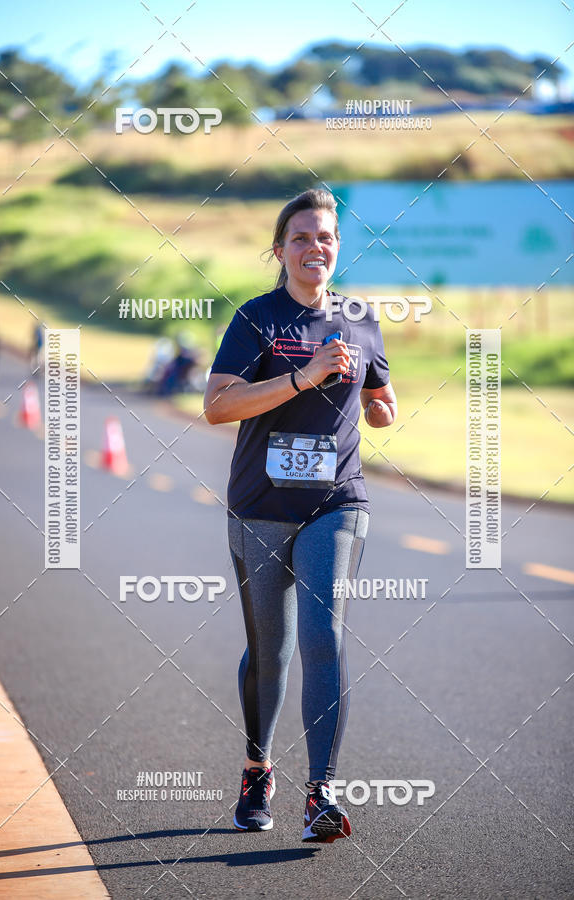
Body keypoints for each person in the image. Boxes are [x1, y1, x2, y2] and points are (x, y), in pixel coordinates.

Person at [204, 189, 397, 843]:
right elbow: (218, 407)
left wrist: (379, 408)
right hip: (260, 507)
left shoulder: (363, 319)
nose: (317, 247)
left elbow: (380, 395)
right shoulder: (256, 319)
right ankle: (258, 768)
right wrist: (303, 377)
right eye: (303, 237)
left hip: (336, 504)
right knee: (272, 652)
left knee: (324, 639)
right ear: (280, 249)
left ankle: (322, 794)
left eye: (327, 237)